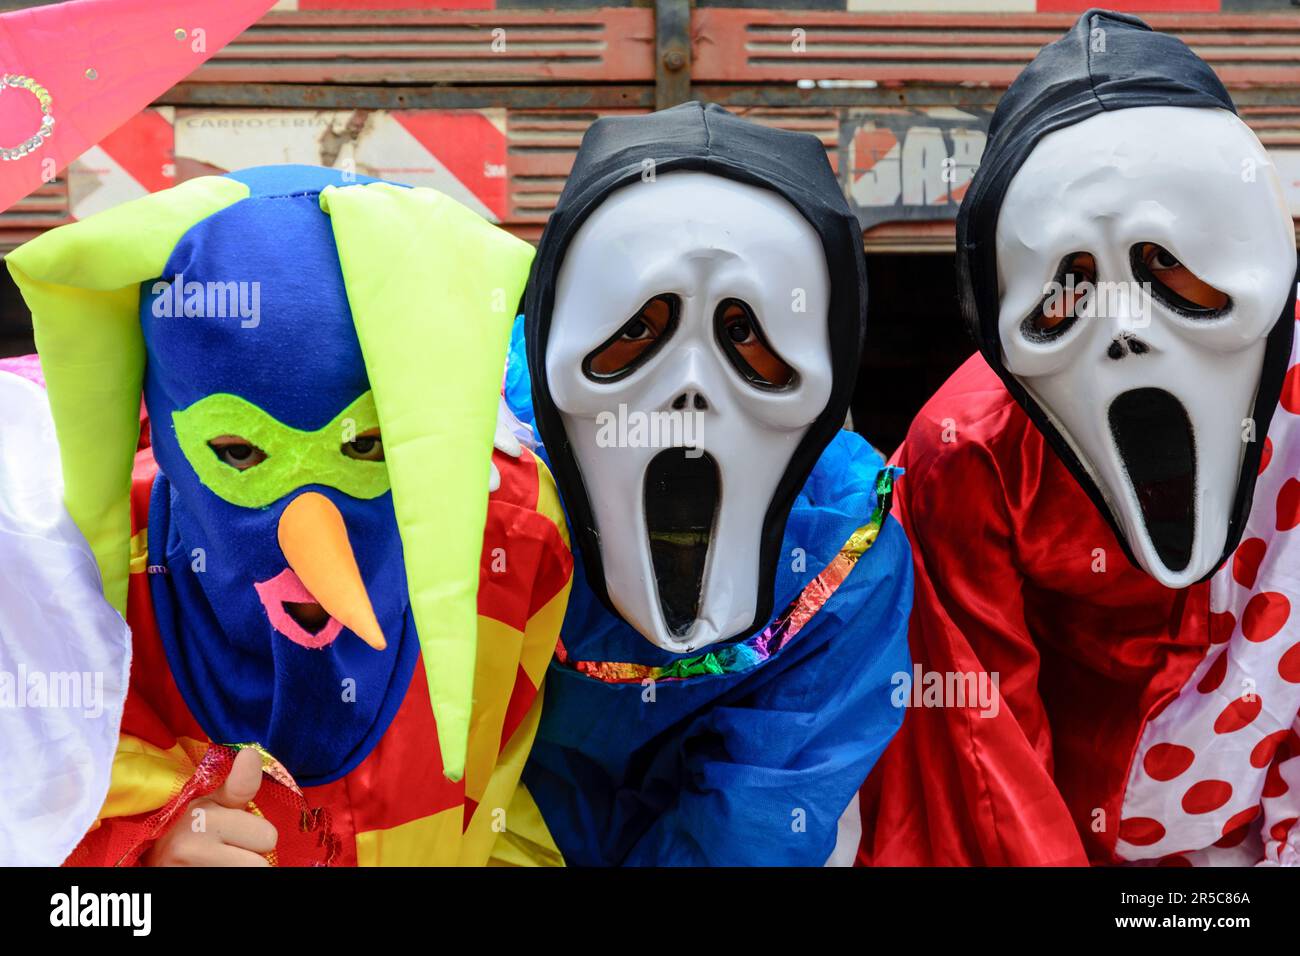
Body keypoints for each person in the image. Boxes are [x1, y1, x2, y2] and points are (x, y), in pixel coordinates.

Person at [1, 165, 573, 865]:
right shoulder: (60, 580)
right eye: (239, 451)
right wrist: (132, 860)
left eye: (365, 446)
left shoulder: (508, 541)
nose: (310, 539)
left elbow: (504, 825)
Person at [857, 10, 1300, 866]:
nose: (1127, 327)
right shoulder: (970, 446)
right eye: (1075, 281)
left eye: (1167, 259)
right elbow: (983, 745)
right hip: (1087, 826)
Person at [503, 102, 913, 866]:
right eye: (637, 327)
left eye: (744, 333)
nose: (687, 390)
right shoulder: (487, 475)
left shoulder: (844, 543)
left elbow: (762, 813)